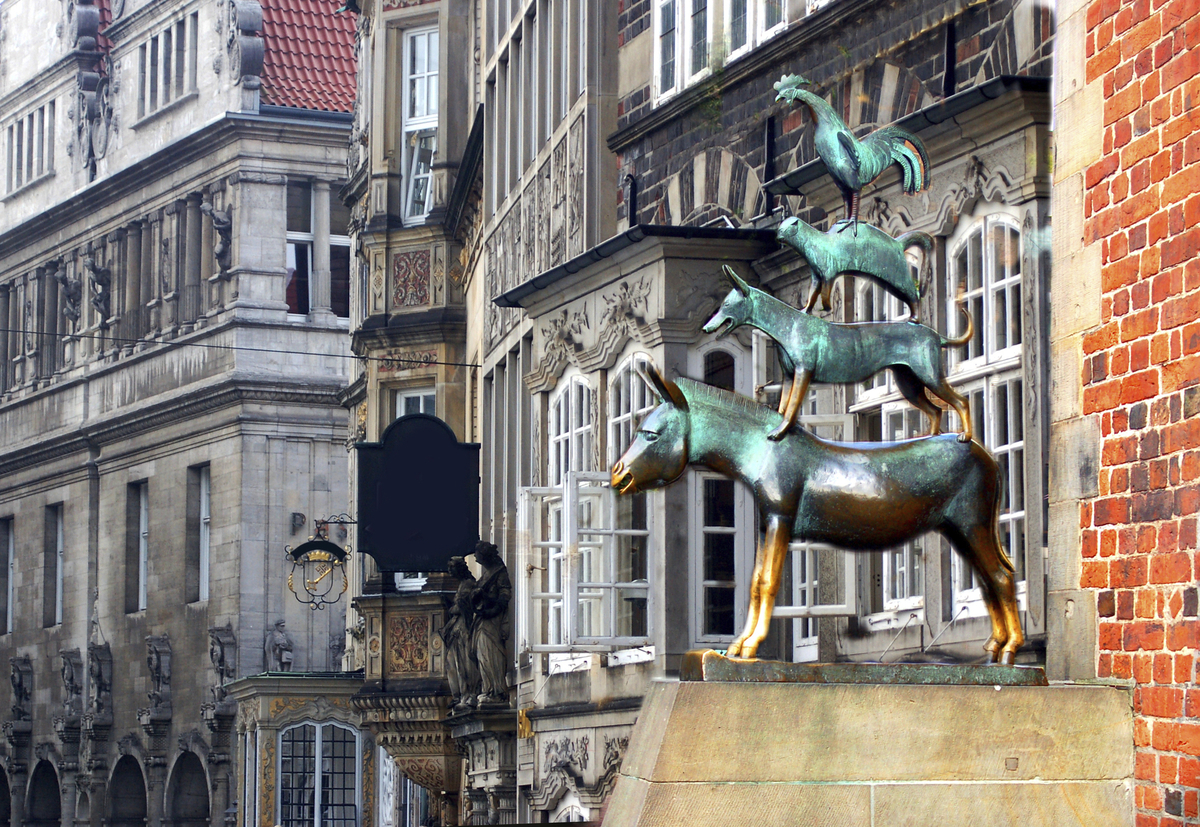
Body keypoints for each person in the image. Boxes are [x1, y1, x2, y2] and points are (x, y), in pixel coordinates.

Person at [470, 542, 511, 705]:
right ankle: (488, 689)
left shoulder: (500, 573)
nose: (475, 558)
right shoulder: (486, 574)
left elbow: (504, 596)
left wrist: (490, 607)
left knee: (490, 652)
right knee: (481, 654)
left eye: (478, 555)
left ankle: (497, 691)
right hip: (482, 619)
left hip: (492, 620)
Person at [440, 556, 479, 711]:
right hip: (456, 630)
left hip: (463, 629)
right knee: (453, 664)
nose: (452, 574)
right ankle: (460, 694)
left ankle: (467, 693)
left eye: (453, 571)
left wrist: (453, 607)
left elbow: (464, 606)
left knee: (464, 664)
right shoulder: (463, 584)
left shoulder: (469, 584)